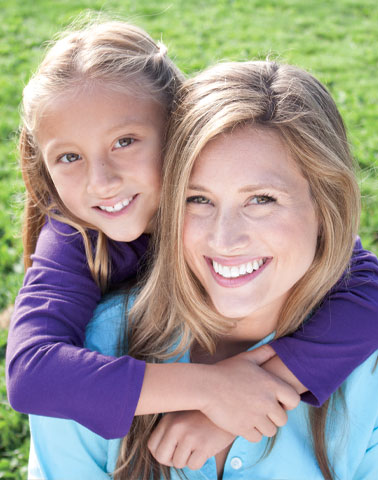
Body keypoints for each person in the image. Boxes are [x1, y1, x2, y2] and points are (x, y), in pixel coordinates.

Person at [28, 60, 378, 480]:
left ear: (327, 208)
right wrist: (212, 390)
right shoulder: (88, 354)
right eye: (198, 199)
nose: (225, 239)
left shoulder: (366, 365)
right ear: (170, 200)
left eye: (262, 199)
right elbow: (34, 375)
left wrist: (254, 390)